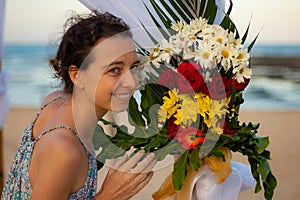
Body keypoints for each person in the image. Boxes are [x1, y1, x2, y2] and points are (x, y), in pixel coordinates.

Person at [1, 11, 156, 200]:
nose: (132, 82)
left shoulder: (54, 101)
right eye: (115, 70)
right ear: (77, 75)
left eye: (133, 67)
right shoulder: (64, 150)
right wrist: (109, 196)